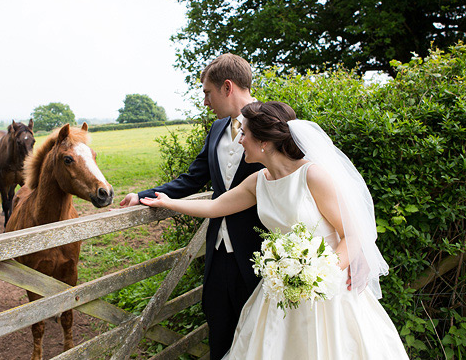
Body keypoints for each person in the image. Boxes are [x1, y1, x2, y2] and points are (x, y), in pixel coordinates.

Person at [140, 101, 409, 359]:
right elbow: (216, 208)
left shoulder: (312, 176)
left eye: (244, 134)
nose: (240, 140)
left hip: (328, 292)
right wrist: (168, 202)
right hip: (280, 292)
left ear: (264, 142)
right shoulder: (258, 180)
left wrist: (318, 275)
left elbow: (351, 233)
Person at [120, 53, 266, 359]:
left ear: (227, 87)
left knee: (257, 341)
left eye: (207, 92)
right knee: (219, 335)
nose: (205, 101)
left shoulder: (273, 123)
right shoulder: (216, 130)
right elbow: (193, 177)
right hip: (216, 256)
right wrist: (144, 195)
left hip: (258, 256)